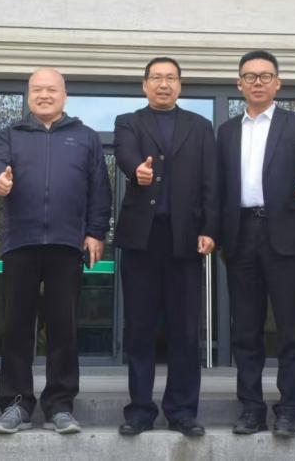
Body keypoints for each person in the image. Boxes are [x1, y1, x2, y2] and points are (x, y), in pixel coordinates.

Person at [0, 68, 112, 436]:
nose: (44, 95)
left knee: (63, 328)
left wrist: (95, 232)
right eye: (37, 89)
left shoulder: (85, 137)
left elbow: (99, 189)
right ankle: (15, 404)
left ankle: (60, 405)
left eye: (51, 89)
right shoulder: (10, 134)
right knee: (16, 327)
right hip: (20, 243)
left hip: (66, 243)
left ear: (64, 95)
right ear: (28, 96)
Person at [215, 50, 295, 438]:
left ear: (278, 83)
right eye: (250, 76)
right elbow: (218, 187)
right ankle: (251, 409)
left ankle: (289, 410)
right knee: (245, 330)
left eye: (265, 76)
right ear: (239, 84)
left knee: (291, 330)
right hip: (241, 234)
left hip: (287, 236)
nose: (257, 82)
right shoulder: (227, 131)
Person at [113, 57, 218, 438]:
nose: (163, 84)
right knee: (139, 328)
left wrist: (210, 228)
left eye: (170, 78)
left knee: (185, 330)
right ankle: (140, 410)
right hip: (142, 239)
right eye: (156, 78)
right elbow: (125, 153)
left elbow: (211, 181)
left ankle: (182, 411)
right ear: (144, 85)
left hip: (186, 239)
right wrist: (136, 171)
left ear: (180, 85)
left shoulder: (200, 126)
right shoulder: (128, 122)